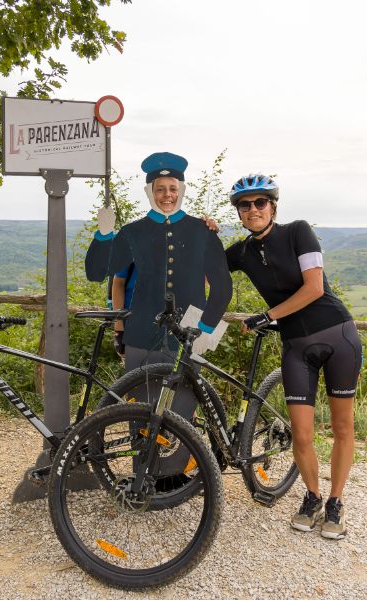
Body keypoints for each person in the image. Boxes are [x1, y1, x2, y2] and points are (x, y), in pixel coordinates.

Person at [223, 174, 362, 540]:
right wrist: (205, 232)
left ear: (273, 206)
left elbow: (314, 287)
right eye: (245, 205)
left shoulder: (297, 231)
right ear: (237, 212)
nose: (253, 209)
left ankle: (336, 502)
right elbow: (207, 270)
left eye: (260, 203)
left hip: (338, 336)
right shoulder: (241, 252)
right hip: (296, 347)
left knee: (342, 427)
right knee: (301, 433)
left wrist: (268, 316)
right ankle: (313, 496)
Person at [86, 151, 232, 477]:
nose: (167, 195)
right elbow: (97, 272)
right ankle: (145, 475)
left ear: (181, 189)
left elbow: (223, 287)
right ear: (150, 191)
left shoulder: (202, 231)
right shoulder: (132, 232)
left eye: (172, 187)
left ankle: (175, 478)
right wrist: (104, 234)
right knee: (141, 409)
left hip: (190, 329)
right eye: (160, 188)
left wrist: (204, 329)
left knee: (182, 409)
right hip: (141, 330)